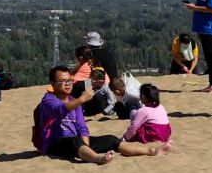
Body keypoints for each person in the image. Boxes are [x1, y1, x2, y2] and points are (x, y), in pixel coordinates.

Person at [32, 67, 163, 164]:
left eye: (70, 81)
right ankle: (98, 158)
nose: (67, 84)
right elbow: (59, 110)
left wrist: (86, 143)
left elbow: (81, 126)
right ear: (53, 83)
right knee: (75, 142)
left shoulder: (73, 100)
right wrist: (81, 100)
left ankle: (150, 151)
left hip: (75, 141)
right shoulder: (48, 100)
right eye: (63, 81)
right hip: (53, 144)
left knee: (110, 139)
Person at [121, 84, 174, 151]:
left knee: (133, 113)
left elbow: (134, 127)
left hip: (154, 135)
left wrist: (125, 138)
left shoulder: (144, 110)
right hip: (166, 133)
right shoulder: (161, 107)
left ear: (143, 96)